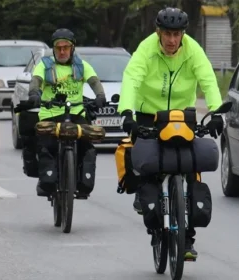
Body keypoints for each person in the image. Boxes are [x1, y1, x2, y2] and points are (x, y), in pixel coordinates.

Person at [117, 7, 224, 260]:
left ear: (183, 34)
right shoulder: (146, 48)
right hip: (149, 114)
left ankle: (187, 240)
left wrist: (216, 111)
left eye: (177, 34)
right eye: (167, 34)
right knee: (144, 159)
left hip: (181, 116)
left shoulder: (193, 50)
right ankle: (146, 197)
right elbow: (132, 78)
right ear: (159, 32)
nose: (172, 40)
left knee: (189, 170)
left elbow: (207, 79)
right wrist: (127, 113)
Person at [27, 28, 107, 199]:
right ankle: (46, 181)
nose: (62, 51)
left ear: (72, 48)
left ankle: (82, 182)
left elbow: (94, 81)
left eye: (66, 47)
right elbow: (36, 81)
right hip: (50, 114)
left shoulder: (82, 66)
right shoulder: (45, 65)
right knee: (46, 145)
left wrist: (100, 96)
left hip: (76, 113)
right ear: (54, 49)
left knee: (87, 146)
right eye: (58, 48)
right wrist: (34, 93)